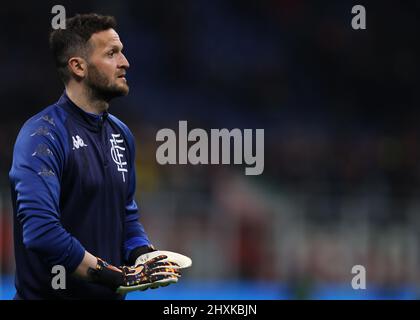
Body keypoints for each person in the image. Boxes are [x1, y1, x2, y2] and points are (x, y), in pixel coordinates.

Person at [9, 13, 180, 300]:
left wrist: (143, 255)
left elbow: (125, 214)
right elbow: (42, 233)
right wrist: (113, 275)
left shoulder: (121, 134)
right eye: (112, 53)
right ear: (78, 66)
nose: (125, 62)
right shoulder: (42, 135)